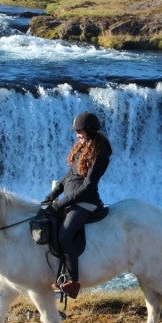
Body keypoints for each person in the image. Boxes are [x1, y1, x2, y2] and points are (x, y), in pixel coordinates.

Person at [41, 110, 112, 299]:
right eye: (76, 131)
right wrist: (53, 194)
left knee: (65, 236)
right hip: (72, 200)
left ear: (89, 130)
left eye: (79, 131)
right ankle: (57, 273)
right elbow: (70, 176)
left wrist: (61, 203)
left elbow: (88, 186)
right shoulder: (82, 147)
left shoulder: (100, 154)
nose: (77, 134)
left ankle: (73, 281)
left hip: (86, 203)